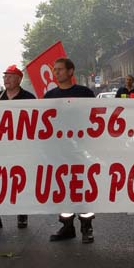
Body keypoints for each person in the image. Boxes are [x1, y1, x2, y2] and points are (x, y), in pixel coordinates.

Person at [44, 57, 97, 243]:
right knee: (61, 188)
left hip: (81, 149)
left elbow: (95, 118)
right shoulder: (49, 97)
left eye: (60, 69)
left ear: (70, 71)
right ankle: (66, 226)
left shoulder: (85, 93)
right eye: (54, 70)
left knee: (81, 187)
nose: (56, 72)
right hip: (58, 150)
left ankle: (86, 226)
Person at [0, 64, 35, 232]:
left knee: (20, 181)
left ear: (19, 79)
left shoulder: (28, 98)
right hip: (1, 149)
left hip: (21, 148)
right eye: (5, 76)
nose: (6, 79)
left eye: (10, 76)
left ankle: (22, 213)